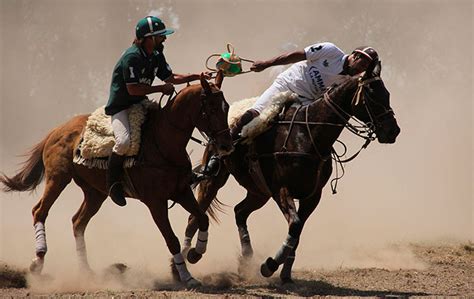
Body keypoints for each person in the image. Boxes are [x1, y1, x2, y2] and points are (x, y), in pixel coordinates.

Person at [197, 42, 379, 179]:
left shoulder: (349, 81)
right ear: (355, 56)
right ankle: (218, 155)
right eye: (362, 65)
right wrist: (266, 64)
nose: (361, 71)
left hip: (306, 101)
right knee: (254, 114)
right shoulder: (330, 50)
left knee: (314, 135)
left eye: (365, 69)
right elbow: (296, 55)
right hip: (286, 85)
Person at [105, 16, 208, 207]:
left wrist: (196, 75)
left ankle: (183, 173)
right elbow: (133, 89)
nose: (164, 39)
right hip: (121, 107)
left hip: (140, 103)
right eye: (160, 36)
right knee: (123, 141)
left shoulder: (156, 54)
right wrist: (160, 89)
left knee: (166, 130)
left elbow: (170, 76)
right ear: (148, 38)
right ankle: (114, 185)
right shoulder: (132, 57)